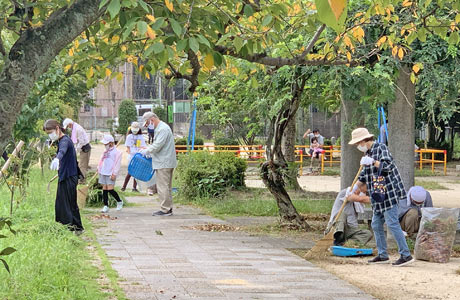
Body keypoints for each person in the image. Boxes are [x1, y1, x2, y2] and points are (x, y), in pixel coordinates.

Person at [349, 127, 414, 267]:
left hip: (389, 191)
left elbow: (388, 167)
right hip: (378, 194)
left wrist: (372, 162)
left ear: (364, 140)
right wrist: (355, 187)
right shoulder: (367, 153)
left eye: (357, 143)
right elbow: (363, 175)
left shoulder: (381, 148)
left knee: (392, 223)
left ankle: (406, 254)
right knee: (376, 224)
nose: (357, 146)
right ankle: (383, 254)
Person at [43, 119, 84, 234]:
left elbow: (62, 150)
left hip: (69, 176)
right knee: (68, 203)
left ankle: (69, 228)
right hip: (68, 175)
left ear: (57, 128)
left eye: (50, 132)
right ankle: (77, 228)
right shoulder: (61, 140)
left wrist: (57, 158)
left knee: (65, 204)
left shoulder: (65, 141)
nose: (50, 135)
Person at [140, 112, 177, 216]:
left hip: (163, 162)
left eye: (147, 123)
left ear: (152, 119)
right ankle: (168, 208)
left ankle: (165, 209)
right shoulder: (161, 128)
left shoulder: (162, 129)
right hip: (164, 161)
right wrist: (148, 150)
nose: (148, 126)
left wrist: (147, 150)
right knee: (166, 186)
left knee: (163, 186)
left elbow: (157, 145)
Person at [98, 134, 123, 213]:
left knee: (110, 189)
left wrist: (114, 173)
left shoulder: (117, 152)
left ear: (111, 143)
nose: (105, 145)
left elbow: (117, 164)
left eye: (106, 144)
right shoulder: (105, 151)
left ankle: (119, 201)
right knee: (104, 188)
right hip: (103, 171)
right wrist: (99, 168)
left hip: (110, 173)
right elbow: (101, 160)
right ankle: (106, 205)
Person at [122, 122, 146, 192]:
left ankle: (134, 187)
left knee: (136, 173)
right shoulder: (129, 136)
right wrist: (130, 153)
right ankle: (124, 186)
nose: (135, 130)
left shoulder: (141, 137)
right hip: (131, 157)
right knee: (130, 172)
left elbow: (143, 146)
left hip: (138, 156)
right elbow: (128, 147)